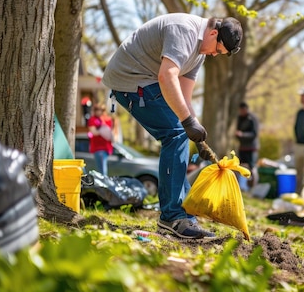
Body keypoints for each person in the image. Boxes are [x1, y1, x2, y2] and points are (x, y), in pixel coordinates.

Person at [102, 13, 243, 239]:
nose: (215, 55)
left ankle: (183, 216)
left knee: (180, 132)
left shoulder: (199, 53)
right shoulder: (184, 31)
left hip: (148, 80)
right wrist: (186, 124)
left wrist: (197, 134)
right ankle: (172, 217)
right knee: (175, 135)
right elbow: (167, 76)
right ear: (213, 33)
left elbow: (184, 97)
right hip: (129, 78)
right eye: (217, 50)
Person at [235, 101, 259, 191]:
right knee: (240, 167)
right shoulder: (240, 118)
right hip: (242, 147)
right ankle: (241, 187)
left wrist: (243, 134)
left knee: (252, 167)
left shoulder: (252, 119)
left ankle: (253, 188)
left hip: (251, 147)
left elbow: (254, 133)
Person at [87, 103, 113, 176]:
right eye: (98, 110)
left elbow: (112, 132)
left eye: (102, 110)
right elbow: (94, 132)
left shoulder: (106, 119)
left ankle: (103, 185)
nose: (100, 112)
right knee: (102, 171)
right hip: (99, 148)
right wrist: (102, 131)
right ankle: (102, 186)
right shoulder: (93, 120)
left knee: (103, 171)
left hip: (107, 148)